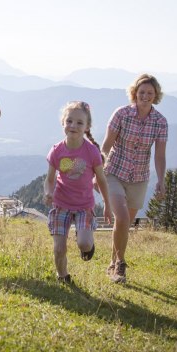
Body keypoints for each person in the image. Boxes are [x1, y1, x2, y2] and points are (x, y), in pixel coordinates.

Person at [101, 73, 167, 284]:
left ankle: (112, 263)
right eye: (141, 92)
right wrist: (98, 172)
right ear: (134, 94)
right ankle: (120, 265)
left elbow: (159, 155)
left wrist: (161, 180)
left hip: (139, 177)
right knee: (122, 218)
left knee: (124, 224)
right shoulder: (121, 114)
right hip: (114, 172)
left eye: (150, 93)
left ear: (155, 95)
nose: (145, 96)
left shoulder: (160, 122)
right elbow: (106, 146)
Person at [43, 101, 111, 284]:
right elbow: (50, 179)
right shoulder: (56, 151)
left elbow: (102, 180)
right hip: (61, 204)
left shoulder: (91, 152)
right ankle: (63, 277)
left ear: (87, 127)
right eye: (69, 121)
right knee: (59, 248)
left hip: (83, 206)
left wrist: (107, 205)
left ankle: (85, 240)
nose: (73, 126)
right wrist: (48, 192)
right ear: (63, 123)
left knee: (84, 244)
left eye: (79, 123)